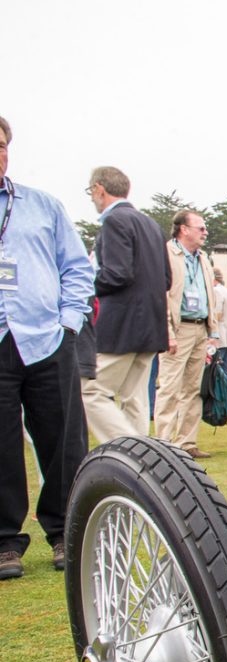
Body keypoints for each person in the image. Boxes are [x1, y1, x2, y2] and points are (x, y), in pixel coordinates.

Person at [0, 116, 95, 579]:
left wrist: (69, 322)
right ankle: (4, 542)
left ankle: (66, 532)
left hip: (45, 337)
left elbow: (76, 267)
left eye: (1, 145)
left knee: (64, 440)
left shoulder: (42, 206)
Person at [83, 165, 171, 443]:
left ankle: (129, 452)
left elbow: (117, 274)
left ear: (99, 188)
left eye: (90, 192)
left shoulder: (114, 221)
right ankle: (144, 460)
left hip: (122, 324)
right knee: (135, 397)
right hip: (151, 324)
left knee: (91, 392)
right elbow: (166, 278)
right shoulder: (151, 225)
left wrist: (85, 286)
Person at [155, 210, 220, 458]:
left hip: (200, 326)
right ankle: (163, 443)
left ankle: (187, 442)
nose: (205, 232)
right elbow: (161, 295)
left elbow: (209, 294)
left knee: (193, 389)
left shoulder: (203, 258)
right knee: (170, 387)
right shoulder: (166, 254)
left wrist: (212, 330)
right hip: (177, 328)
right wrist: (167, 332)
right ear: (183, 229)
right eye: (200, 228)